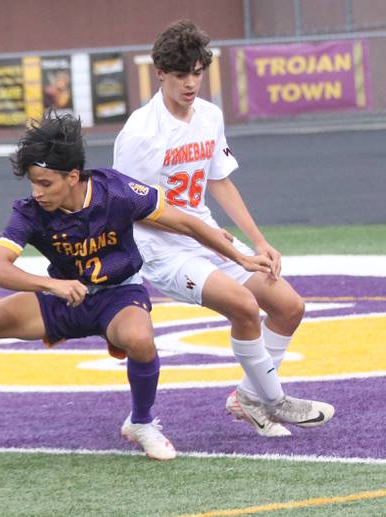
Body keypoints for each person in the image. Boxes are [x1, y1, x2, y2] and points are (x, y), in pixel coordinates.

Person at [0, 112, 274, 461]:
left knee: (140, 339)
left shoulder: (116, 191)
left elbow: (186, 222)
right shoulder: (30, 210)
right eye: (33, 183)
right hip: (63, 296)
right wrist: (49, 285)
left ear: (73, 176)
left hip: (118, 295)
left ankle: (141, 423)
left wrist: (239, 257)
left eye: (45, 183)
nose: (37, 191)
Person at [112, 20, 335, 438]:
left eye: (197, 72)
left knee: (289, 306)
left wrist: (259, 242)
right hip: (163, 250)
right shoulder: (141, 132)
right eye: (181, 74)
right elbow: (131, 210)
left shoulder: (209, 116)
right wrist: (211, 239)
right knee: (243, 305)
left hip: (208, 237)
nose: (191, 82)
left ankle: (249, 398)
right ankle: (275, 401)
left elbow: (219, 180)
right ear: (160, 72)